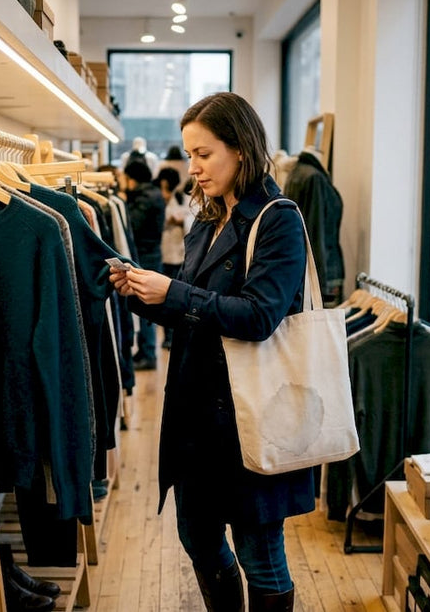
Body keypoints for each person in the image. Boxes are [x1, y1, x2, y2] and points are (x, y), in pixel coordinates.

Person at [109, 91, 312, 611]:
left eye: (203, 154)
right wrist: (138, 292)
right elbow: (192, 309)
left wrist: (173, 291)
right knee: (196, 537)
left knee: (259, 554)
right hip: (196, 420)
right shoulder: (208, 218)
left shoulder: (277, 219)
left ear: (240, 149)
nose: (191, 167)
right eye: (189, 153)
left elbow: (260, 316)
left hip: (251, 421)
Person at [123, 159, 167, 370]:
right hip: (152, 252)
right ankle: (146, 351)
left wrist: (125, 202)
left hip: (145, 255)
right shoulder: (153, 193)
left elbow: (133, 224)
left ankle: (148, 353)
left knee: (147, 303)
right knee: (147, 302)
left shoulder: (144, 198)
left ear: (132, 179)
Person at [155, 166, 193, 350]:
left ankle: (173, 334)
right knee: (163, 297)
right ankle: (167, 336)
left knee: (174, 295)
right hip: (164, 253)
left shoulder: (181, 198)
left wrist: (179, 220)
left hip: (179, 255)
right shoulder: (159, 200)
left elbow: (189, 221)